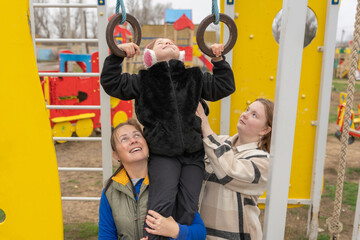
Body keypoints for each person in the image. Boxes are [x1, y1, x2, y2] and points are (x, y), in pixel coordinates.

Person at [100, 38, 235, 239]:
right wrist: (117, 56)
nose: (166, 42)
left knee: (188, 206)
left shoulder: (194, 77)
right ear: (149, 55)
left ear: (180, 52)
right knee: (161, 202)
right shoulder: (143, 80)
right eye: (159, 42)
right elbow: (112, 83)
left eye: (170, 41)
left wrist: (218, 60)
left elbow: (224, 86)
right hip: (163, 154)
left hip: (193, 154)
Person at [98, 119, 207, 240]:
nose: (133, 140)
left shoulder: (171, 181)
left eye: (137, 135)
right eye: (124, 139)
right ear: (116, 155)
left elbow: (200, 232)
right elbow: (106, 237)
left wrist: (175, 230)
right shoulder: (111, 191)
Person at [196, 98, 274, 240]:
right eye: (247, 110)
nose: (245, 114)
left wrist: (205, 126)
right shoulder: (219, 142)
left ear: (265, 130)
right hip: (202, 234)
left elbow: (228, 172)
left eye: (254, 115)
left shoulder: (264, 161)